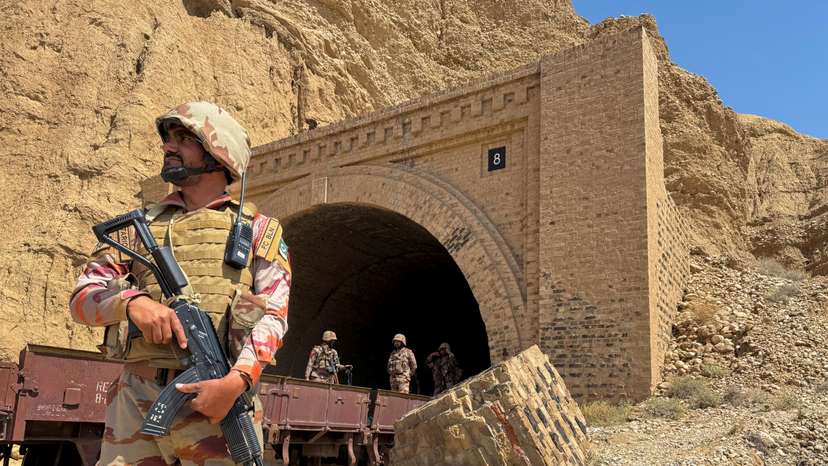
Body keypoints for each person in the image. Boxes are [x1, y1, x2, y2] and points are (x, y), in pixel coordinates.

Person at [69, 101, 291, 465]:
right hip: (134, 402)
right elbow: (83, 297)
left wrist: (235, 382)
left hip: (219, 402)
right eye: (168, 138)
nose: (168, 146)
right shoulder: (137, 229)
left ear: (219, 153)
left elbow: (274, 316)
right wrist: (132, 303)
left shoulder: (258, 231)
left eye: (184, 138)